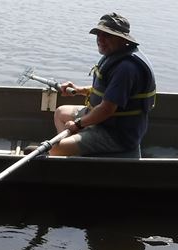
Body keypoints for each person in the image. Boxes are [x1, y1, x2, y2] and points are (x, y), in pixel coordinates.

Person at [49, 13, 156, 157]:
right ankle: (76, 153)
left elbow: (107, 109)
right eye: (98, 34)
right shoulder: (115, 56)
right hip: (103, 122)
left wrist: (78, 124)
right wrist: (80, 90)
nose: (100, 40)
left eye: (107, 36)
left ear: (122, 39)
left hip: (115, 133)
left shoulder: (126, 69)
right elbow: (108, 90)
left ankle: (70, 152)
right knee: (61, 112)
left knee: (55, 148)